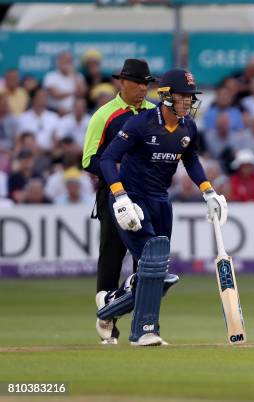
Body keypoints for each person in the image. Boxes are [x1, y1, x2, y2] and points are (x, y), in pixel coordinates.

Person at [98, 68, 228, 346]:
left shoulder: (187, 127)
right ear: (166, 96)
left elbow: (190, 159)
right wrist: (120, 197)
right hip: (132, 199)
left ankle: (110, 306)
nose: (188, 103)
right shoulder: (140, 123)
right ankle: (144, 331)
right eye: (183, 97)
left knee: (156, 272)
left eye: (191, 98)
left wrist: (208, 191)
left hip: (160, 201)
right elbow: (108, 160)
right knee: (153, 265)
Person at [82, 59, 157, 344]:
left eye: (146, 83)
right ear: (121, 82)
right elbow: (90, 159)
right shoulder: (105, 115)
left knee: (147, 262)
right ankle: (108, 326)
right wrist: (120, 174)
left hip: (147, 194)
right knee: (112, 259)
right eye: (137, 83)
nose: (142, 88)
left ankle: (146, 327)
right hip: (113, 195)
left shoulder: (155, 113)